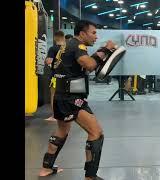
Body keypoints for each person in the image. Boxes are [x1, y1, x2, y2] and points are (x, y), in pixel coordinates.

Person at [38, 20, 118, 180]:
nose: (96, 36)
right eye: (93, 33)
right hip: (71, 99)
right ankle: (90, 176)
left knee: (62, 130)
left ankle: (46, 168)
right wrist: (106, 49)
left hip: (60, 97)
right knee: (96, 133)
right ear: (82, 33)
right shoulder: (78, 46)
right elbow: (89, 65)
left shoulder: (66, 45)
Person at [44, 30, 65, 122]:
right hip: (66, 76)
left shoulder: (53, 48)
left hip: (56, 76)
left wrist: (46, 60)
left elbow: (49, 61)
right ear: (63, 37)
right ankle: (65, 114)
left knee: (53, 95)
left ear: (54, 38)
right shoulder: (67, 48)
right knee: (65, 95)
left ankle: (54, 116)